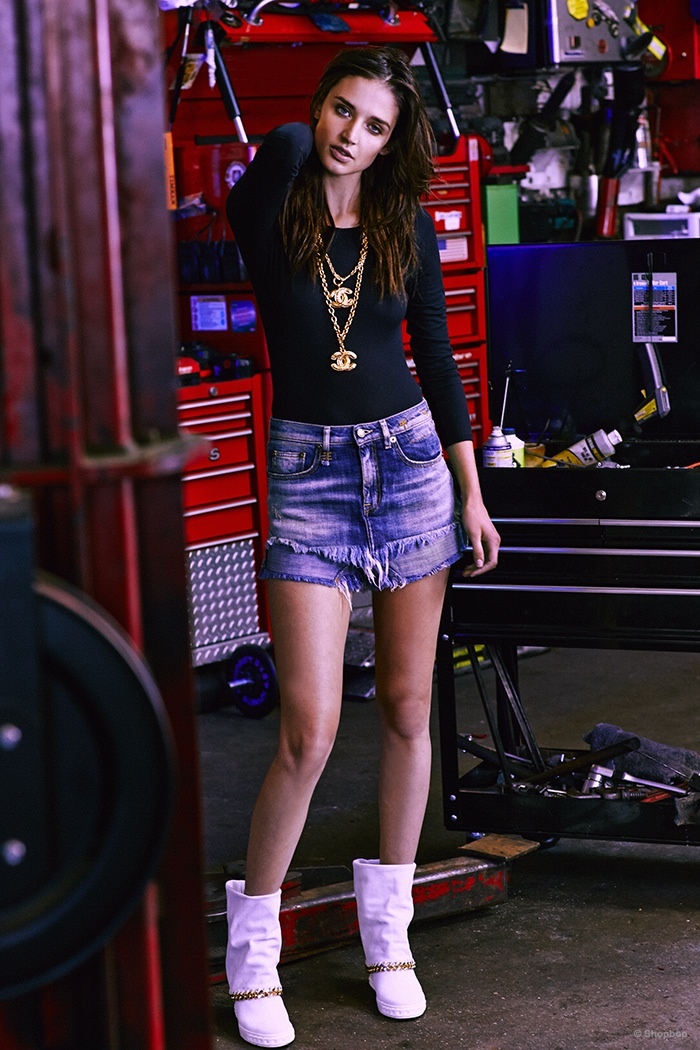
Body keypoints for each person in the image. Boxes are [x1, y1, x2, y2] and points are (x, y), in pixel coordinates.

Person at [224, 44, 500, 1048]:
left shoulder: (402, 222)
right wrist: (311, 135)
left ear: (394, 142)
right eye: (343, 110)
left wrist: (471, 492)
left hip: (412, 465)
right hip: (310, 481)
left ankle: (391, 936)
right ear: (322, 107)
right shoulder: (274, 206)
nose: (351, 134)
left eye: (375, 125)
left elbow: (437, 356)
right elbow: (281, 146)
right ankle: (253, 953)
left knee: (409, 708)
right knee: (308, 729)